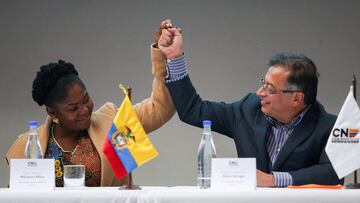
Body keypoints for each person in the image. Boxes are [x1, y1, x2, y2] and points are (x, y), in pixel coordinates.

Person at [158, 25, 343, 187]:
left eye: (270, 89)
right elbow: (194, 111)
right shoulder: (247, 109)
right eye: (264, 83)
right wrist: (175, 58)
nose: (260, 92)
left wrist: (274, 180)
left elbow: (333, 174)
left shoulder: (329, 127)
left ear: (296, 99)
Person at [6, 21, 175, 187]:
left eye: (86, 99)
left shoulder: (112, 121)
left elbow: (161, 108)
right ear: (52, 113)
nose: (84, 110)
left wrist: (162, 56)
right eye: (73, 108)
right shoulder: (28, 145)